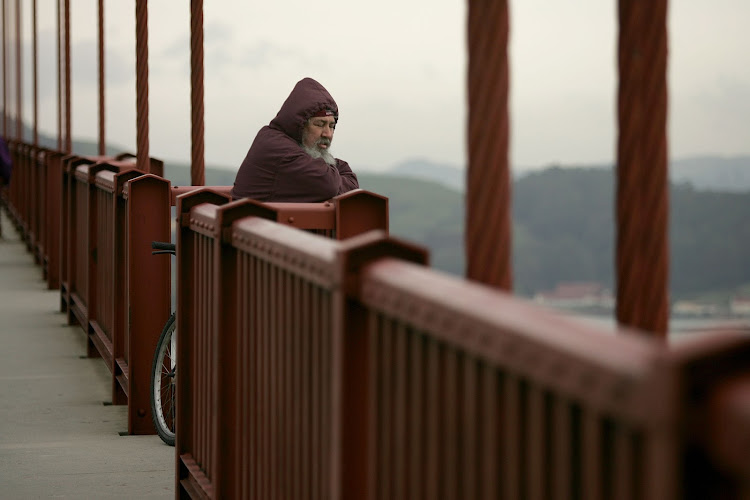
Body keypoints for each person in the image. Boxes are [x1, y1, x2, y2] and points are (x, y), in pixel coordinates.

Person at [231, 77, 359, 202]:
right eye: (319, 124)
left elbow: (348, 175)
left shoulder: (284, 143)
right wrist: (336, 179)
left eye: (331, 126)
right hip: (256, 222)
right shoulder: (279, 149)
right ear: (300, 124)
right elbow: (328, 184)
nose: (328, 134)